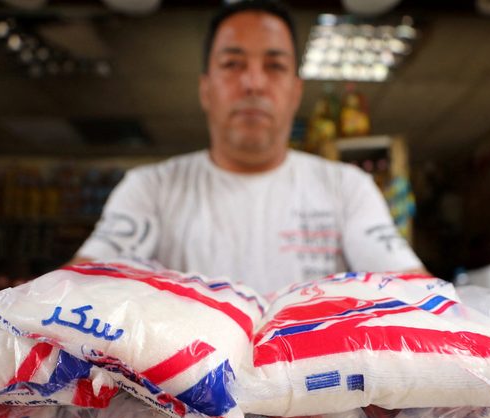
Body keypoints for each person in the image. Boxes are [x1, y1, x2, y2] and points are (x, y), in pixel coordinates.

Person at [69, 0, 425, 294]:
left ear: (295, 91)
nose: (254, 83)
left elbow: (413, 290)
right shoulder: (150, 188)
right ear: (205, 89)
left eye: (274, 66)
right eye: (232, 64)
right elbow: (79, 287)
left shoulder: (347, 188)